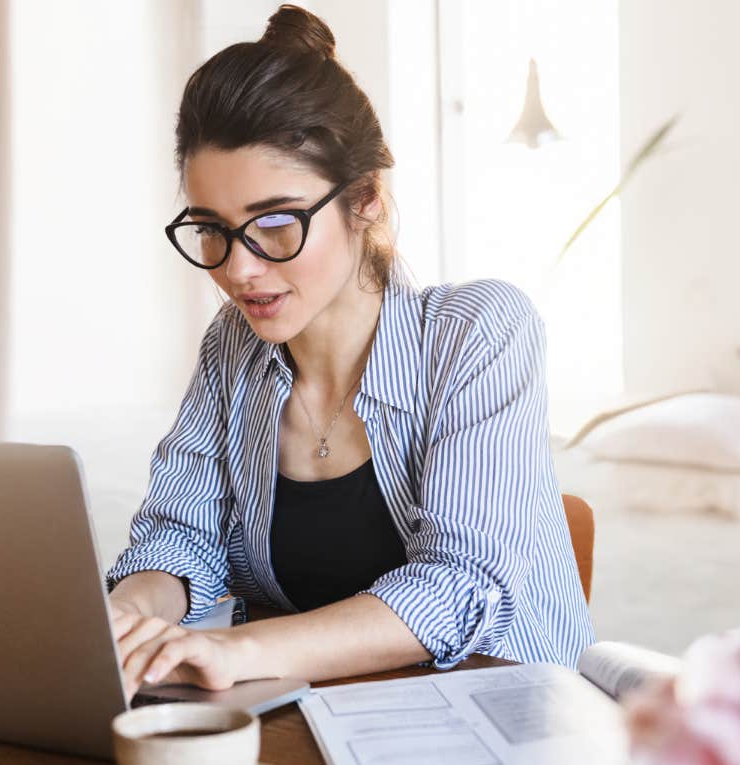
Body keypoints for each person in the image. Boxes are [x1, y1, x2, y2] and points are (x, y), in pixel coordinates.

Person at [104, 4, 594, 701]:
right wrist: (129, 619)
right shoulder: (232, 349)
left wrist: (230, 648)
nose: (238, 270)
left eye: (275, 223)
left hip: (501, 719)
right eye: (211, 228)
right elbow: (179, 539)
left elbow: (459, 587)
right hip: (323, 720)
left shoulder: (480, 332)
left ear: (365, 200)